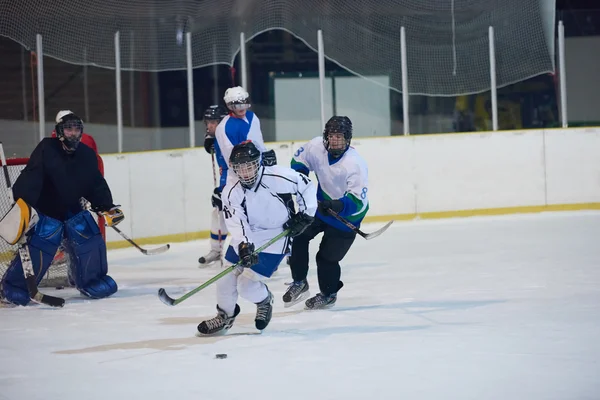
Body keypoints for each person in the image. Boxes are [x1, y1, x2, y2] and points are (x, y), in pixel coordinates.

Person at [0, 110, 124, 306]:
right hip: (46, 209)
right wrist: (22, 201)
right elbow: (32, 175)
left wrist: (106, 206)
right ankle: (15, 287)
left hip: (72, 209)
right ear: (59, 131)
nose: (73, 134)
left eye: (76, 129)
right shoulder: (47, 149)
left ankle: (92, 281)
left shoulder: (86, 154)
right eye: (68, 129)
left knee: (87, 233)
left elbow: (95, 183)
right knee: (45, 238)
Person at [197, 141, 316, 335]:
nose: (245, 173)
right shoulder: (231, 189)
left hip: (276, 235)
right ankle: (225, 316)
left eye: (249, 167)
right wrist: (244, 243)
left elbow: (307, 186)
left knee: (247, 285)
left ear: (258, 163)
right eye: (240, 168)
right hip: (248, 234)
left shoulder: (277, 175)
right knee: (225, 277)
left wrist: (306, 215)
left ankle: (264, 300)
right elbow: (236, 220)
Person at [283, 116, 369, 310]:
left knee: (326, 258)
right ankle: (299, 282)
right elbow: (298, 161)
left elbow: (357, 201)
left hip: (346, 218)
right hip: (322, 208)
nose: (335, 140)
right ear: (326, 136)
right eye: (332, 136)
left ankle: (329, 294)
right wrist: (301, 180)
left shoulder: (355, 164)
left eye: (340, 137)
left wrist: (336, 205)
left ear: (348, 139)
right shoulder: (316, 147)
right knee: (298, 234)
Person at [198, 105, 229, 266]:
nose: (209, 126)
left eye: (213, 122)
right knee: (218, 214)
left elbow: (234, 167)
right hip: (228, 184)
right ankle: (216, 251)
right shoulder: (217, 140)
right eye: (207, 122)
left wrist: (223, 190)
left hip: (240, 186)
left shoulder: (228, 140)